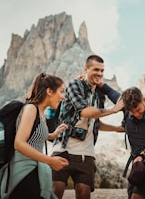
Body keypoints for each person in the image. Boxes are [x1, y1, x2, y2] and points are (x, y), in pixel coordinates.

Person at [51, 54, 124, 199]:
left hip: (86, 153)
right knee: (55, 191)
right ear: (86, 69)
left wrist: (116, 129)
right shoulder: (74, 85)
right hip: (63, 148)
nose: (100, 73)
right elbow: (84, 111)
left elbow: (96, 122)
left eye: (102, 71)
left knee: (84, 192)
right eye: (96, 69)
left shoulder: (99, 94)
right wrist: (113, 110)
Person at [0, 72, 70, 199]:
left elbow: (33, 135)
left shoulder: (41, 112)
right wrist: (50, 161)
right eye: (61, 91)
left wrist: (53, 135)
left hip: (33, 168)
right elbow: (19, 143)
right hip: (23, 170)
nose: (63, 97)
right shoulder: (31, 109)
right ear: (49, 91)